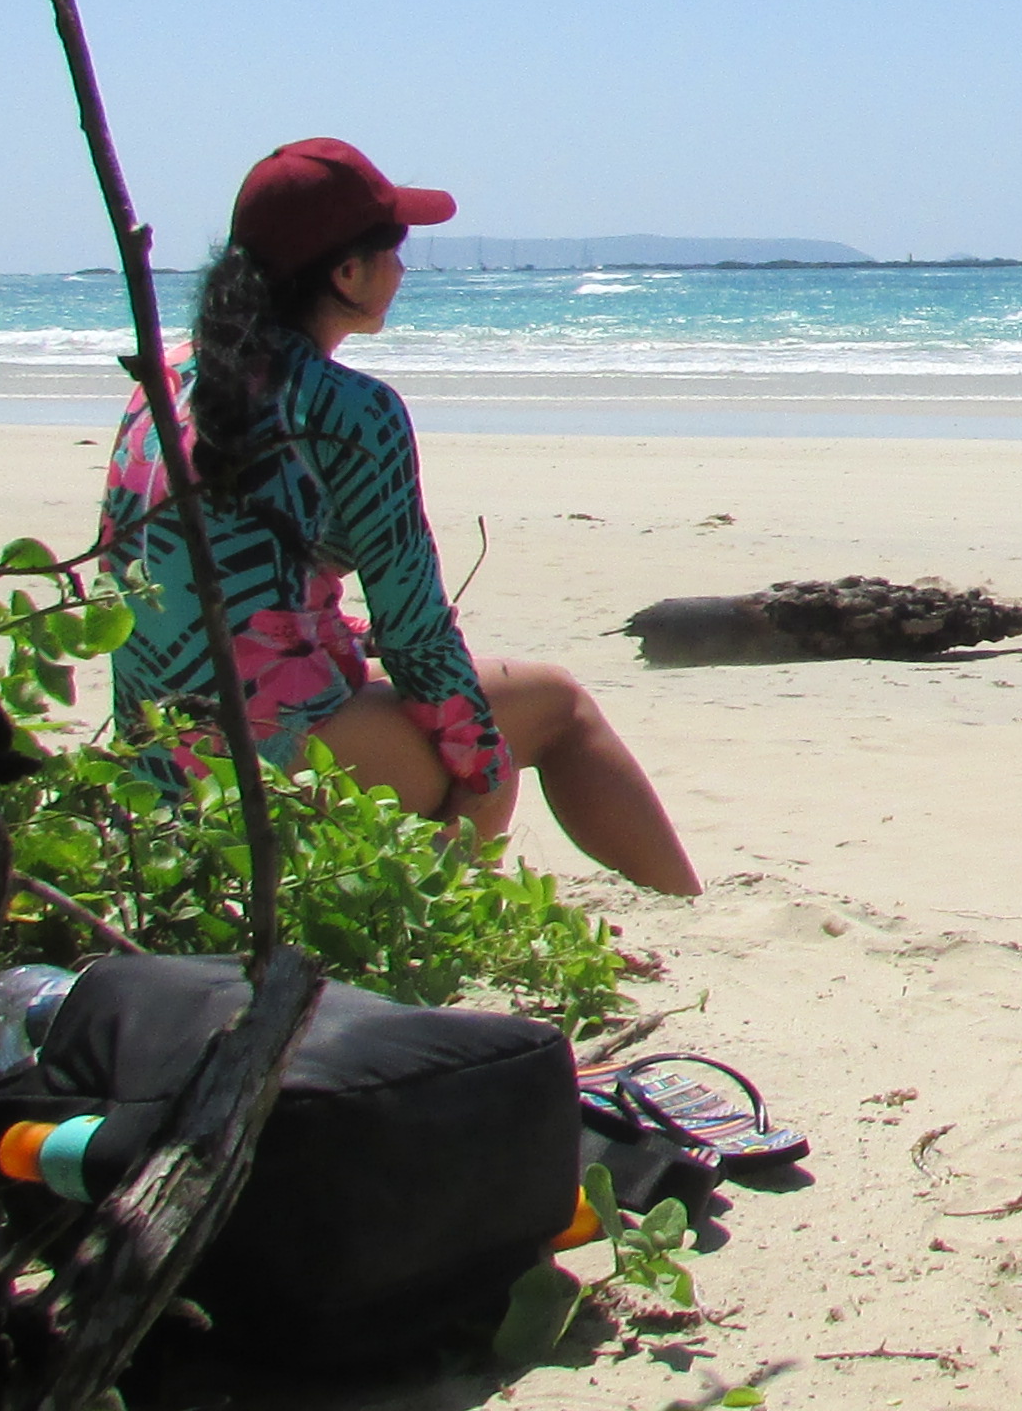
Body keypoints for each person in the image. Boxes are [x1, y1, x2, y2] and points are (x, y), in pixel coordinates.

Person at [99, 136, 701, 895]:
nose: (405, 269)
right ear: (347, 273)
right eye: (394, 249)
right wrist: (480, 766)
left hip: (152, 762)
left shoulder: (167, 380)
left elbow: (202, 585)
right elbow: (415, 631)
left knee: (464, 718)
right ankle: (674, 907)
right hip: (259, 763)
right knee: (550, 710)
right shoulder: (352, 410)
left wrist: (350, 645)